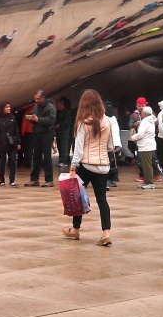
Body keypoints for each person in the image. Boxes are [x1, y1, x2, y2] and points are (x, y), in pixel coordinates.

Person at [63, 89, 114, 246]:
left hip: (86, 165)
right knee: (102, 200)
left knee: (78, 199)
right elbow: (111, 146)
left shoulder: (82, 123)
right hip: (103, 166)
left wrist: (73, 167)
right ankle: (106, 233)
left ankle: (76, 230)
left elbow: (78, 149)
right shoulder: (108, 121)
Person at [25, 90, 57, 187]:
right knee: (36, 157)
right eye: (35, 99)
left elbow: (51, 120)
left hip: (47, 134)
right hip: (37, 134)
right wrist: (32, 118)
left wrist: (39, 120)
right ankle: (34, 179)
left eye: (38, 99)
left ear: (43, 98)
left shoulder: (50, 107)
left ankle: (49, 180)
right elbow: (34, 116)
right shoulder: (36, 106)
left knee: (47, 157)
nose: (36, 101)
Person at [0, 102, 21, 187]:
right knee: (2, 162)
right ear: (2, 108)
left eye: (9, 107)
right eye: (7, 107)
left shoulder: (13, 118)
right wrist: (0, 140)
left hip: (12, 143)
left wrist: (18, 142)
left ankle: (12, 180)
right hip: (2, 143)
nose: (9, 108)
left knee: (12, 161)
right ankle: (2, 180)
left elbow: (16, 130)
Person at [129, 105, 157, 189]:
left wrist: (133, 137)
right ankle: (147, 181)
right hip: (149, 145)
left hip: (145, 146)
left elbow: (141, 134)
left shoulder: (145, 121)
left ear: (144, 113)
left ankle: (150, 182)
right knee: (146, 164)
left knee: (147, 165)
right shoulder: (151, 120)